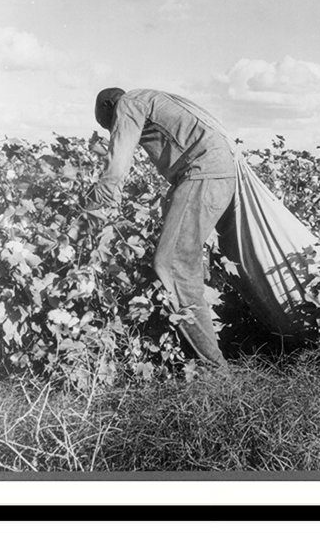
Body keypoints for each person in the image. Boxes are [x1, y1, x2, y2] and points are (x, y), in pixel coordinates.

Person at [88, 88, 237, 368]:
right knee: (185, 260)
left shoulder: (129, 103)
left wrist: (97, 205)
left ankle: (214, 369)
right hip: (215, 174)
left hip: (203, 175)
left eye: (109, 123)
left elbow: (118, 160)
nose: (114, 129)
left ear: (110, 105)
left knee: (173, 266)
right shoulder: (152, 99)